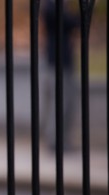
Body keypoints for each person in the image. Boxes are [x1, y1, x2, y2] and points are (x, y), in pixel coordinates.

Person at [40, 0, 80, 151]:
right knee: (58, 103)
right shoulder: (50, 5)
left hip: (67, 60)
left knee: (69, 103)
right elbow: (67, 20)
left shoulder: (63, 5)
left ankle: (64, 140)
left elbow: (75, 22)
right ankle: (53, 141)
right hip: (55, 61)